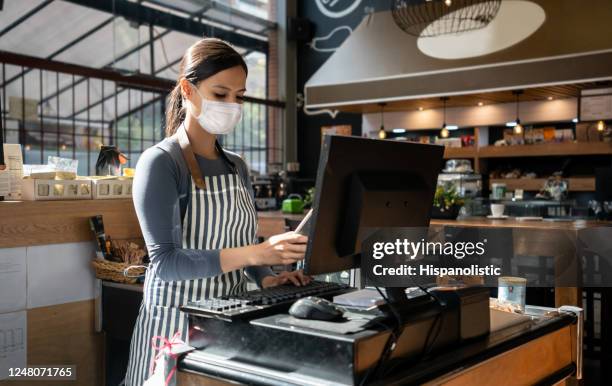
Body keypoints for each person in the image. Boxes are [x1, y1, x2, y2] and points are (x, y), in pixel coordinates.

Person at [124, 37, 310, 386]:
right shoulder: (162, 162)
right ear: (188, 90)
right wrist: (258, 253)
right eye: (220, 94)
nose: (232, 104)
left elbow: (239, 243)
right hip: (175, 330)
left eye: (239, 96)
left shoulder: (236, 166)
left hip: (228, 325)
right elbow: (165, 262)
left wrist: (267, 276)